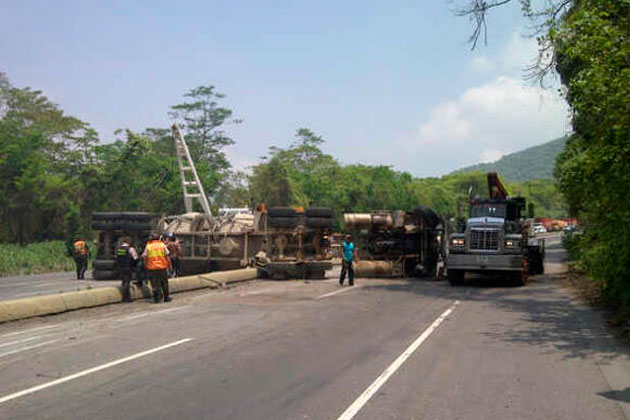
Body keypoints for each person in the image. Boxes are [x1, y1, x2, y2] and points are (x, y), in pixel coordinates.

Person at [141, 234, 171, 303]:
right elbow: (167, 256)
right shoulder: (162, 245)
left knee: (154, 284)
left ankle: (157, 298)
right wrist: (169, 266)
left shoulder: (148, 246)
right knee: (164, 283)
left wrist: (146, 264)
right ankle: (166, 297)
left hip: (152, 268)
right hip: (162, 267)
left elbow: (144, 256)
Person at [116, 238, 138, 302]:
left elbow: (117, 258)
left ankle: (125, 296)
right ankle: (126, 297)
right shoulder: (130, 249)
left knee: (123, 281)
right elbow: (135, 258)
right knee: (127, 282)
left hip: (121, 268)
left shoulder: (119, 249)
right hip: (128, 267)